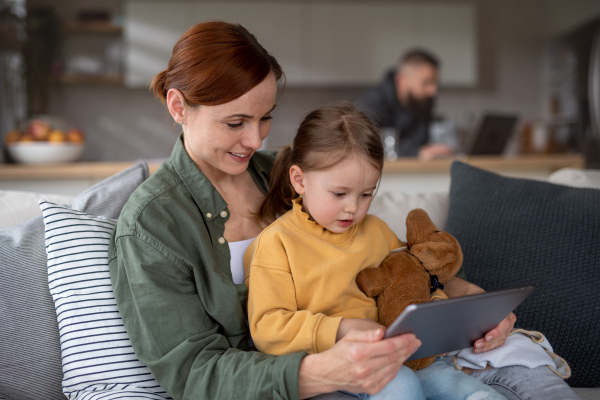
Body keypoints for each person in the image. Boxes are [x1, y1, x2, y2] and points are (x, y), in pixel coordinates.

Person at [108, 21, 515, 400]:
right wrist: (320, 371)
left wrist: (471, 309)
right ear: (178, 108)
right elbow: (192, 374)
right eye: (235, 123)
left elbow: (398, 266)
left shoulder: (295, 176)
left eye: (265, 117)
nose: (254, 140)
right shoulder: (151, 225)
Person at [244, 102, 507, 400]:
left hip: (399, 356)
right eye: (340, 193)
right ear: (300, 180)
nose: (353, 207)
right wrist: (342, 328)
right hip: (336, 365)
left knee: (469, 390)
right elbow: (267, 328)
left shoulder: (377, 231)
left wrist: (438, 314)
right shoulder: (277, 243)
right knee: (402, 386)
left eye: (366, 194)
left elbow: (414, 280)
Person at [357, 49, 456, 160]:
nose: (433, 91)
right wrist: (416, 153)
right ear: (401, 81)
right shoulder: (371, 104)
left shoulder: (422, 101)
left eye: (435, 83)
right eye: (426, 83)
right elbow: (362, 147)